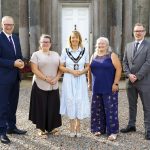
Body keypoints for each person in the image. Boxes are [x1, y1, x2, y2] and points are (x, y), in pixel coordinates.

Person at [88, 37, 122, 141]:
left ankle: (113, 132)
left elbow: (119, 68)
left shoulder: (112, 55)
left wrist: (116, 83)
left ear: (107, 45)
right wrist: (89, 83)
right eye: (99, 44)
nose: (100, 45)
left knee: (111, 110)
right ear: (96, 45)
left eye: (103, 44)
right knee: (97, 109)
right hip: (96, 87)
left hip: (109, 87)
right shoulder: (93, 56)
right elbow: (89, 70)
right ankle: (98, 129)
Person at [120, 23, 150, 140]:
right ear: (133, 32)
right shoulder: (128, 46)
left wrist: (137, 76)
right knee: (132, 105)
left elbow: (148, 63)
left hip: (144, 81)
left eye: (140, 31)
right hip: (130, 82)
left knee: (147, 106)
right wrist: (128, 74)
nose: (138, 33)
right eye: (136, 31)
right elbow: (124, 62)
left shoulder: (148, 45)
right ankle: (131, 125)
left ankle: (148, 129)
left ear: (144, 32)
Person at [29, 34, 62, 139]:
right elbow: (34, 69)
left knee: (53, 106)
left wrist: (57, 78)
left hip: (54, 84)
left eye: (47, 42)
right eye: (43, 42)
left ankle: (52, 127)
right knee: (41, 106)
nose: (45, 44)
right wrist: (46, 79)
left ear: (50, 44)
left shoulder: (56, 54)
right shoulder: (36, 54)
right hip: (40, 83)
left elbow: (61, 67)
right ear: (40, 43)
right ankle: (41, 129)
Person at [0, 16, 27, 144]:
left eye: (10, 24)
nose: (8, 27)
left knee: (13, 103)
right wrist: (13, 64)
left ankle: (11, 127)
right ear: (2, 25)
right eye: (6, 24)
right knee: (3, 105)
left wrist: (21, 62)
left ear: (14, 25)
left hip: (15, 77)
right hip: (3, 79)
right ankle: (2, 132)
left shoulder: (15, 38)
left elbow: (18, 55)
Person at [59, 30, 90, 137]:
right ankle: (71, 127)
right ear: (70, 39)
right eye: (73, 38)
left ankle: (78, 128)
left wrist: (81, 72)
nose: (74, 39)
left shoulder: (84, 50)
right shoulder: (65, 50)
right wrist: (72, 71)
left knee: (79, 100)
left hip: (80, 79)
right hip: (69, 78)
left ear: (79, 39)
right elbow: (61, 66)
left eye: (76, 38)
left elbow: (87, 66)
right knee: (70, 99)